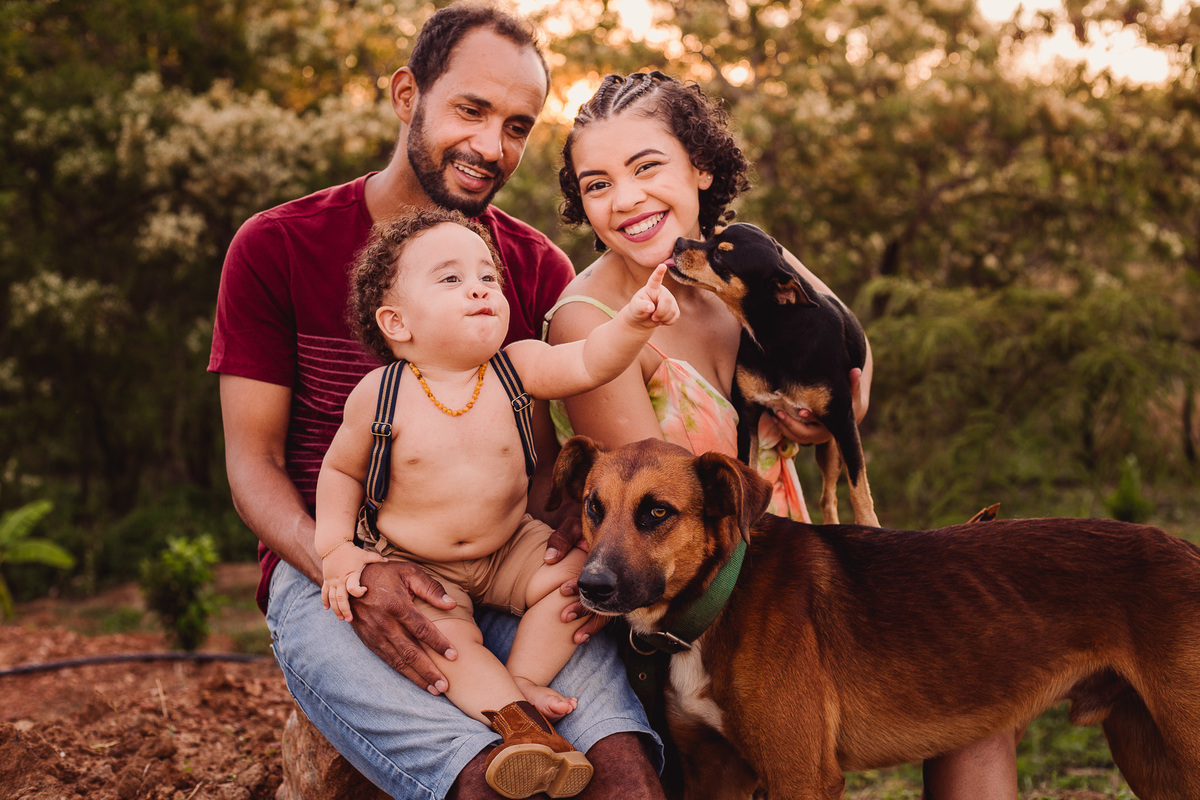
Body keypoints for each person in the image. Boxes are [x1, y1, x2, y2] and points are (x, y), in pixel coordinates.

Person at [208, 7, 666, 799]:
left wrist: (577, 527)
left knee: (623, 780)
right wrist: (347, 569)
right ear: (405, 95)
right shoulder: (276, 246)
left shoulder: (531, 266)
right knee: (486, 782)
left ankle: (530, 697)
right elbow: (253, 465)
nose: (493, 147)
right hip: (333, 567)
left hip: (508, 554)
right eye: (471, 110)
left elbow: (591, 417)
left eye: (518, 125)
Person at [546, 71, 1020, 798]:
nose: (627, 200)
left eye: (648, 168)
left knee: (979, 680)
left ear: (700, 168)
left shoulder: (751, 261)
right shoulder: (591, 324)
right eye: (597, 183)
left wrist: (815, 414)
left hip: (799, 571)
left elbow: (852, 365)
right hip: (688, 605)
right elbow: (645, 520)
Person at [316, 208, 678, 798]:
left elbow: (588, 361)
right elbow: (339, 471)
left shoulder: (517, 366)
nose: (480, 287)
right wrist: (336, 548)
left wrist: (633, 323)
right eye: (451, 279)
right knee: (442, 642)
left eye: (487, 275)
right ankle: (516, 724)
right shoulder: (379, 396)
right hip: (421, 565)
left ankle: (526, 679)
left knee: (576, 578)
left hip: (512, 547)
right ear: (396, 322)